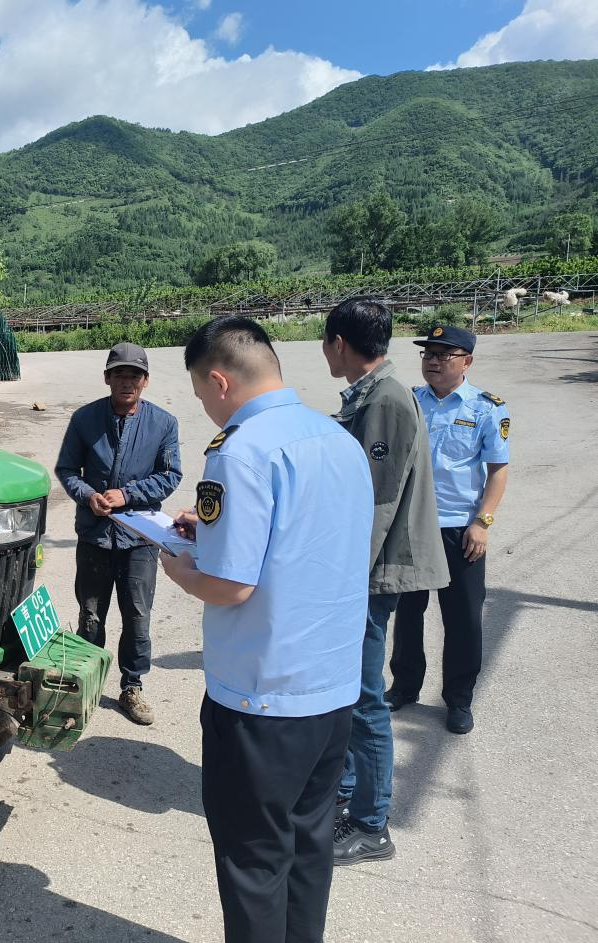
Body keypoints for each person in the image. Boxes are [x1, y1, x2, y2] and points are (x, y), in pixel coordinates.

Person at [160, 317, 371, 943]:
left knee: (253, 861)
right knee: (308, 845)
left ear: (219, 380)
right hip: (332, 689)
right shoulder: (337, 439)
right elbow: (303, 541)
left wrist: (182, 571)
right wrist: (210, 532)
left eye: (200, 392)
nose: (204, 406)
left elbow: (231, 586)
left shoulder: (239, 451)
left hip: (261, 699)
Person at [321, 298, 448, 866]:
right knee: (351, 693)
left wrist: (342, 581)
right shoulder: (372, 393)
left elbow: (375, 502)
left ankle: (372, 825)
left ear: (339, 343)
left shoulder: (387, 398)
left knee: (364, 699)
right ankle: (347, 794)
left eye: (326, 344)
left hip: (372, 574)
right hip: (367, 571)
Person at [388, 324, 510, 735]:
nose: (433, 361)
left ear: (467, 361)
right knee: (408, 613)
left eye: (444, 355)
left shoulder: (486, 409)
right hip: (412, 525)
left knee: (463, 619)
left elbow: (498, 470)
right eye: (428, 354)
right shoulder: (409, 401)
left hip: (460, 530)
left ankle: (459, 699)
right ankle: (404, 686)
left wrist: (483, 521)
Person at [55, 342, 181, 726]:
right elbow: (67, 470)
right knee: (91, 615)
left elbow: (170, 475)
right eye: (120, 374)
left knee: (137, 616)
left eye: (135, 375)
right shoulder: (85, 419)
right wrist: (88, 496)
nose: (127, 381)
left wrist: (128, 494)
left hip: (139, 538)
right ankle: (86, 685)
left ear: (145, 381)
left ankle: (132, 687)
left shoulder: (163, 423)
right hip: (95, 536)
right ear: (107, 378)